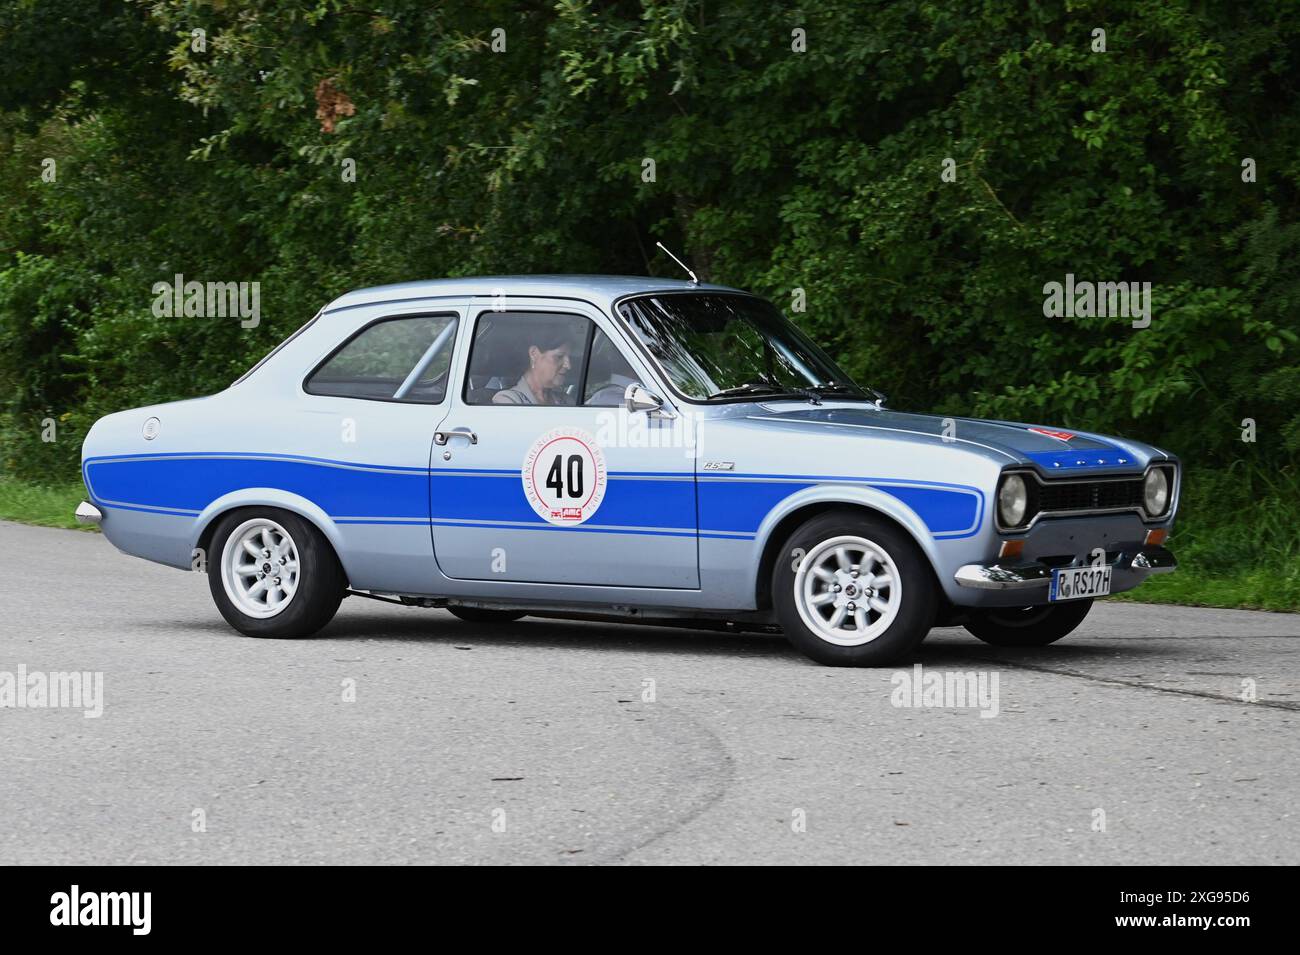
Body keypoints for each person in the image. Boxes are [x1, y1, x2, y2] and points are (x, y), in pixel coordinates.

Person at [492, 326, 576, 405]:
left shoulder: (567, 401)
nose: (568, 365)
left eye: (570, 357)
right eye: (559, 357)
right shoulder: (507, 400)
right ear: (534, 353)